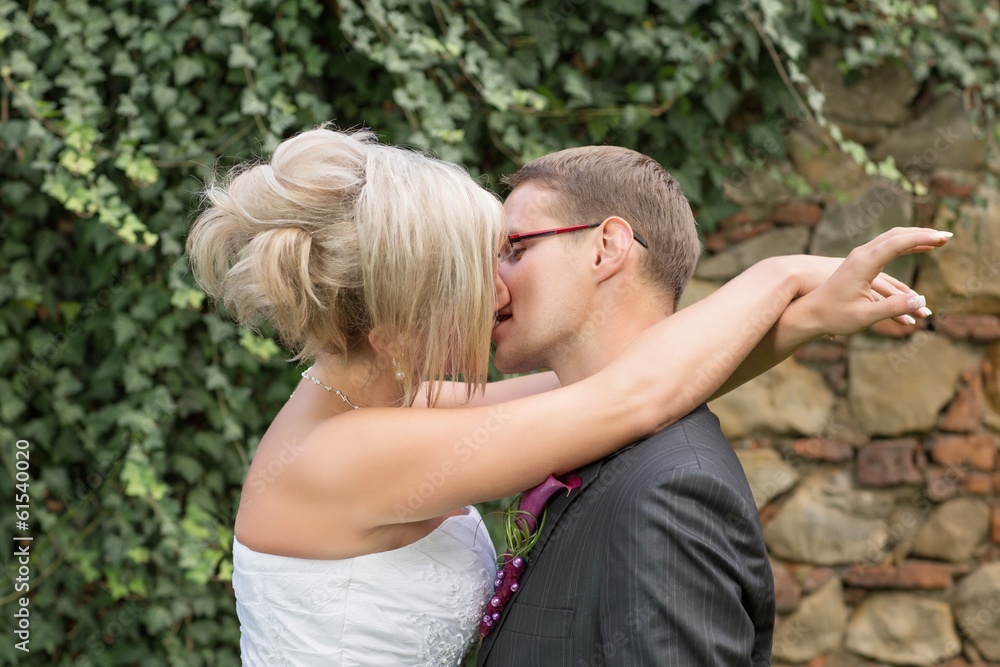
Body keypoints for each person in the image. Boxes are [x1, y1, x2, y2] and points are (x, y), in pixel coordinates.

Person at [184, 128, 944, 666]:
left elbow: (608, 387)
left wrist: (806, 320)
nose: (499, 288)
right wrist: (779, 273)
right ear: (401, 313)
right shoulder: (343, 454)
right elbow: (628, 399)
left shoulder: (370, 408)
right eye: (483, 269)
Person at [476, 145, 943, 666]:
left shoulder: (672, 492)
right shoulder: (580, 433)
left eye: (515, 248)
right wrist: (789, 292)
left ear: (606, 248)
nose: (492, 280)